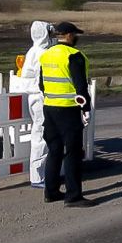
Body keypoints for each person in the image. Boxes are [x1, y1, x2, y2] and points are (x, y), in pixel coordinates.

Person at [39, 21, 96, 207]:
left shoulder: (46, 55)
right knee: (72, 152)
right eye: (75, 34)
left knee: (54, 150)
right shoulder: (74, 55)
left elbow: (42, 84)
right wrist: (86, 108)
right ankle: (73, 196)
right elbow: (80, 87)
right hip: (68, 109)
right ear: (70, 35)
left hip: (49, 107)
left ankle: (51, 191)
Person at [14, 21, 54, 188]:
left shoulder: (34, 51)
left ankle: (44, 172)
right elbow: (43, 78)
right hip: (40, 97)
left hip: (38, 96)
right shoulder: (40, 53)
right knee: (41, 135)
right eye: (50, 34)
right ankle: (37, 176)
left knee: (44, 134)